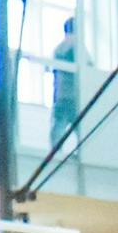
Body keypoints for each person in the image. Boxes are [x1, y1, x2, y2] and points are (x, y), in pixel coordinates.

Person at [50, 16, 81, 150]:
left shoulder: (59, 49)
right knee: (81, 129)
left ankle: (56, 153)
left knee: (58, 130)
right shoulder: (77, 46)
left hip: (61, 95)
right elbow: (88, 66)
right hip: (74, 96)